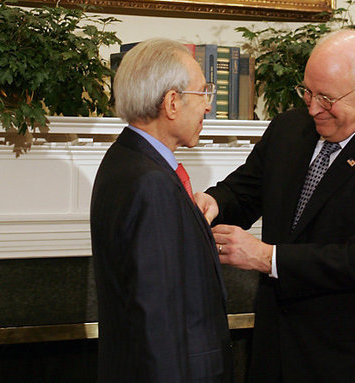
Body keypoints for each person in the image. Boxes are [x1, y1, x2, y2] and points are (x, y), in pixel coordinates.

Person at [195, 29, 355, 383]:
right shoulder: (289, 129)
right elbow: (246, 191)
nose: (312, 108)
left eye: (326, 98)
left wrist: (266, 257)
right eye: (307, 92)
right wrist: (213, 202)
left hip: (349, 359)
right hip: (275, 348)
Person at [91, 38, 233, 383]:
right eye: (203, 94)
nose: (208, 107)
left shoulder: (122, 160)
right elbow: (158, 322)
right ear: (172, 102)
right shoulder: (151, 183)